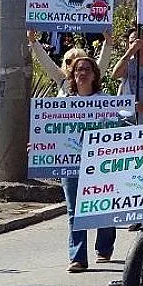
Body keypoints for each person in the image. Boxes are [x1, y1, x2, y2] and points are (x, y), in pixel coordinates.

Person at [60, 57, 117, 272]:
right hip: (72, 163)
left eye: (86, 69)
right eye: (77, 70)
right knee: (75, 211)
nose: (81, 73)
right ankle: (78, 258)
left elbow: (117, 131)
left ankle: (104, 247)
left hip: (100, 163)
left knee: (103, 205)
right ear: (73, 76)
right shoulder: (65, 101)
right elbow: (51, 132)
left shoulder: (106, 101)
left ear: (94, 75)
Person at [28, 28, 112, 95]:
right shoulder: (61, 79)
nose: (73, 64)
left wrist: (108, 42)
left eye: (79, 63)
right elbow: (46, 62)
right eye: (69, 61)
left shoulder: (92, 77)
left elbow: (103, 61)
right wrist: (33, 41)